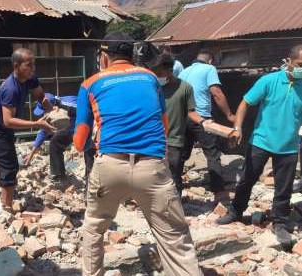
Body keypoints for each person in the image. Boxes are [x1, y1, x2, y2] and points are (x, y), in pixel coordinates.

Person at [73, 31, 202, 276]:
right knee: (175, 237)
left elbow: (80, 141)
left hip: (110, 166)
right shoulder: (150, 78)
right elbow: (163, 126)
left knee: (94, 229)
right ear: (132, 54)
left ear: (104, 56)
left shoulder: (90, 83)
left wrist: (83, 140)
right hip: (152, 169)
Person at [216, 45, 302, 245]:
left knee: (284, 188)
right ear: (288, 61)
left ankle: (279, 223)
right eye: (300, 65)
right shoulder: (268, 81)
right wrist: (238, 128)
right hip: (261, 142)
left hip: (288, 146)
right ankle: (236, 211)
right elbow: (245, 103)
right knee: (247, 180)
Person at [0, 48, 55, 210]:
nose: (33, 68)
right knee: (9, 165)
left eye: (34, 64)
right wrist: (37, 124)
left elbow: (40, 95)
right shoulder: (10, 88)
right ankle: (6, 208)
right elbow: (8, 121)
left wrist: (51, 108)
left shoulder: (30, 78)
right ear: (16, 66)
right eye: (29, 65)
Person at [150, 53, 208, 193]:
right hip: (153, 139)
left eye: (159, 72)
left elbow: (191, 112)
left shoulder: (185, 88)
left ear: (170, 70)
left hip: (174, 141)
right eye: (155, 72)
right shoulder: (152, 87)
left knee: (174, 177)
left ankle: (175, 209)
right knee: (153, 177)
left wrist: (204, 122)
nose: (157, 75)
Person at [178, 50, 235, 192]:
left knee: (182, 153)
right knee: (212, 153)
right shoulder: (209, 68)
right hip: (201, 117)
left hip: (182, 117)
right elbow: (216, 92)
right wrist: (229, 114)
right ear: (210, 61)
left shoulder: (184, 72)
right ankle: (217, 188)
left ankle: (175, 184)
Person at [23, 92, 77, 181]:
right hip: (72, 125)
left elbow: (90, 109)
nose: (44, 113)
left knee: (88, 148)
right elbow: (44, 130)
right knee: (55, 141)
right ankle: (59, 175)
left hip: (86, 122)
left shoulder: (70, 104)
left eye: (44, 110)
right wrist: (31, 153)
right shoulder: (52, 110)